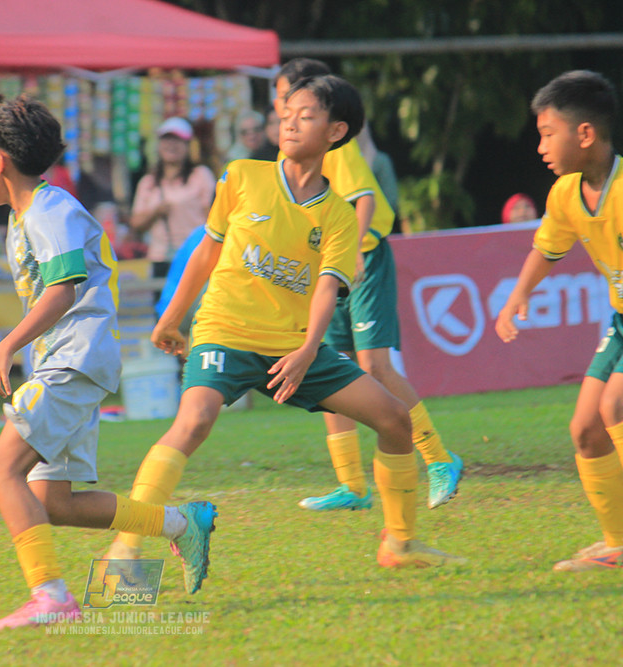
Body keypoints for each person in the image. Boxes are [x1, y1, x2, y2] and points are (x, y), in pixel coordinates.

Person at [104, 74, 465, 570]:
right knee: (194, 421)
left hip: (295, 347)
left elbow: (325, 290)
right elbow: (206, 251)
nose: (290, 123)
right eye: (286, 114)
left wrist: (305, 351)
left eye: (307, 115)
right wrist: (171, 319)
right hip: (224, 333)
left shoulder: (337, 216)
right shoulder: (241, 176)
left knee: (394, 420)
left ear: (337, 132)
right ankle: (126, 549)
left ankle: (399, 545)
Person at [0, 90, 217, 631]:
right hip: (66, 362)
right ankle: (181, 523)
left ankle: (51, 597)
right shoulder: (25, 214)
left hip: (73, 359)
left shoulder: (50, 208)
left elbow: (61, 290)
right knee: (53, 501)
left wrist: (5, 345)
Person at [273, 58, 463, 513]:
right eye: (280, 102)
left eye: (287, 97)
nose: (282, 109)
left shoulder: (337, 147)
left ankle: (440, 459)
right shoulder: (287, 155)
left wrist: (352, 251)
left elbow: (365, 198)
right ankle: (352, 487)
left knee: (374, 366)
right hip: (326, 270)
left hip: (363, 259)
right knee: (331, 370)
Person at [496, 70, 623, 571]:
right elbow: (547, 248)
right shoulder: (566, 194)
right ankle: (617, 544)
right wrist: (516, 298)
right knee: (585, 430)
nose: (541, 146)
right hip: (620, 320)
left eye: (549, 133)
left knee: (614, 405)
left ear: (585, 134)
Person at [129, 117, 215, 281]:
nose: (171, 145)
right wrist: (155, 213)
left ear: (188, 145)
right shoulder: (149, 181)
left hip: (194, 255)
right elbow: (136, 223)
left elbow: (212, 216)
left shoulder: (201, 175)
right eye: (166, 140)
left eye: (178, 140)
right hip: (161, 258)